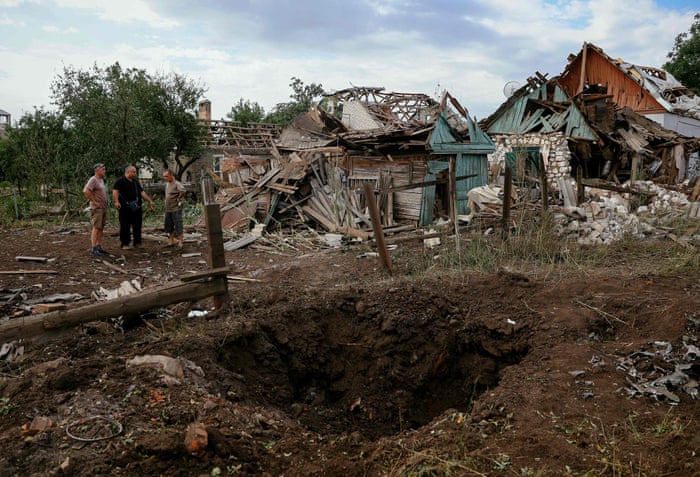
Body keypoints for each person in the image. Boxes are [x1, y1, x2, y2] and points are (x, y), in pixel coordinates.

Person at [112, 165, 155, 249]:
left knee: (137, 225)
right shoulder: (120, 181)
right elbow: (115, 191)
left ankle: (137, 242)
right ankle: (125, 243)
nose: (135, 173)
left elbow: (142, 192)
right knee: (125, 225)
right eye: (134, 172)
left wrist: (150, 201)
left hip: (136, 207)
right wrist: (116, 201)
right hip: (125, 207)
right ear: (128, 172)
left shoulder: (135, 182)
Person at [83, 163, 109, 256]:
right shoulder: (93, 179)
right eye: (103, 169)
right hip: (97, 208)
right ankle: (93, 248)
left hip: (103, 207)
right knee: (96, 228)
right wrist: (94, 201)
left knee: (101, 228)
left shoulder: (101, 180)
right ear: (97, 170)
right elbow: (86, 191)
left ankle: (98, 246)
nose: (104, 171)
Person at [163, 169, 187, 248]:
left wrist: (179, 199)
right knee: (169, 225)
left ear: (171, 175)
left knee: (178, 224)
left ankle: (180, 242)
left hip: (175, 208)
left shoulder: (177, 184)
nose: (165, 178)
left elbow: (183, 191)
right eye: (164, 176)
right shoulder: (167, 184)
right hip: (168, 208)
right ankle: (171, 241)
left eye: (166, 176)